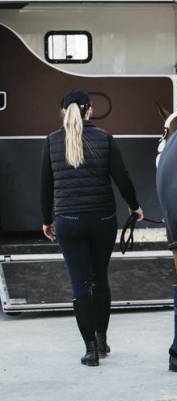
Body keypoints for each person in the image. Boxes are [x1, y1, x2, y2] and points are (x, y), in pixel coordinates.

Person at [41, 89, 144, 366]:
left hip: (68, 222)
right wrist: (135, 207)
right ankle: (101, 339)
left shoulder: (52, 141)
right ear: (89, 111)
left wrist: (46, 220)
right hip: (102, 221)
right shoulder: (105, 138)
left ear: (64, 111)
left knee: (80, 285)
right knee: (100, 279)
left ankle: (89, 350)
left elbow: (45, 187)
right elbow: (122, 178)